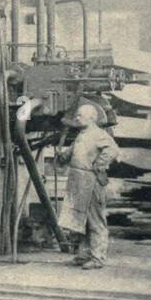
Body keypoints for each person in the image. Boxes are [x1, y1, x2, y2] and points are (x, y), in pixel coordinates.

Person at [56, 102, 119, 269]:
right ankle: (83, 255)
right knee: (80, 221)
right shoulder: (81, 134)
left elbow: (113, 150)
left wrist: (100, 164)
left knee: (95, 221)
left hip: (91, 182)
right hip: (77, 181)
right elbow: (70, 154)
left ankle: (98, 258)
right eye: (76, 115)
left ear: (91, 118)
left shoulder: (99, 134)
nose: (76, 118)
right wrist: (61, 156)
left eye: (80, 115)